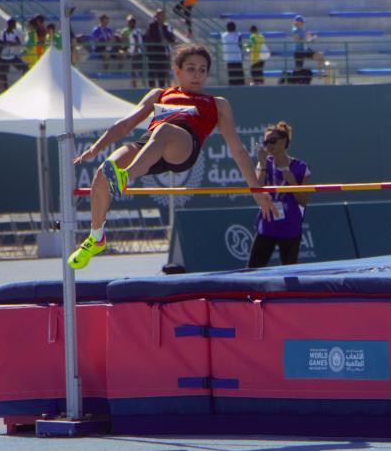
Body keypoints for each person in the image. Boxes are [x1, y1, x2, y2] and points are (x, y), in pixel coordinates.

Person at [68, 43, 276, 269]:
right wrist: (97, 147)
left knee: (163, 131)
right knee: (103, 172)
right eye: (190, 69)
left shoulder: (217, 104)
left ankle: (126, 176)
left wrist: (256, 191)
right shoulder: (160, 94)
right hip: (148, 146)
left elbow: (237, 149)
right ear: (177, 71)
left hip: (183, 147)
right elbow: (126, 124)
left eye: (202, 70)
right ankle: (96, 236)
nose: (197, 75)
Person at [247, 121, 310, 268]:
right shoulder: (264, 163)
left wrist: (292, 182)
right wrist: (262, 165)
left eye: (273, 141)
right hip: (267, 224)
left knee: (289, 271)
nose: (268, 145)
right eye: (265, 142)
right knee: (253, 269)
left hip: (290, 227)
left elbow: (303, 201)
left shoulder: (301, 167)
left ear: (284, 141)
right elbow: (257, 191)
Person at [144, 8, 175, 88]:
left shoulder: (166, 27)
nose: (163, 18)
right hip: (154, 53)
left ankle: (161, 89)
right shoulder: (152, 26)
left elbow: (171, 38)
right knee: (152, 72)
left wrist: (169, 40)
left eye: (164, 16)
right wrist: (159, 42)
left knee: (162, 73)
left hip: (163, 54)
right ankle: (152, 89)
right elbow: (149, 38)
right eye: (161, 15)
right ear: (157, 16)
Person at [0, 17, 27, 82]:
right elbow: (2, 43)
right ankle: (4, 88)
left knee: (25, 67)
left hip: (12, 56)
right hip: (4, 57)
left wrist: (11, 43)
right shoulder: (3, 33)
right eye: (14, 24)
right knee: (2, 74)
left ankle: (22, 82)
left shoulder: (14, 33)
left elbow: (18, 42)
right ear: (10, 24)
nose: (15, 25)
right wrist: (10, 43)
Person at [119, 15, 144, 88]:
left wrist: (135, 51)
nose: (130, 23)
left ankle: (139, 85)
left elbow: (137, 42)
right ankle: (135, 85)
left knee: (137, 71)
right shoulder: (131, 31)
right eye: (129, 22)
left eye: (132, 22)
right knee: (134, 71)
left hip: (136, 54)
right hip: (134, 52)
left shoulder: (135, 32)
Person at [221, 21, 244, 86]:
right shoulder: (238, 35)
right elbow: (240, 45)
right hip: (237, 58)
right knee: (239, 75)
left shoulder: (223, 35)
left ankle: (232, 85)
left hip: (228, 58)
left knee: (231, 74)